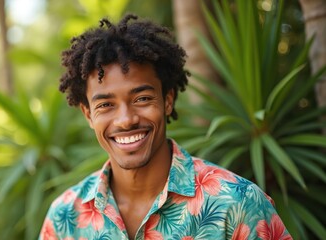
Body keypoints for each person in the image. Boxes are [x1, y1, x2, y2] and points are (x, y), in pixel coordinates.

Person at [39, 14, 291, 240]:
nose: (126, 120)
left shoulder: (237, 204)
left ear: (167, 100)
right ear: (88, 115)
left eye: (142, 99)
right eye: (106, 105)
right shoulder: (65, 219)